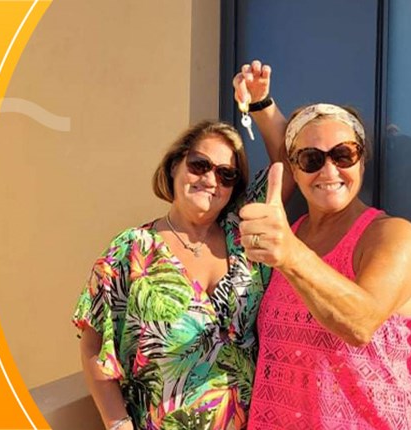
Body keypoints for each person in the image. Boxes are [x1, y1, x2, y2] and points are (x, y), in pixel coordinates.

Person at [233, 71, 411, 428]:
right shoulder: (286, 234)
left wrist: (291, 255)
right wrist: (262, 105)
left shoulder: (391, 235)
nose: (329, 170)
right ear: (294, 168)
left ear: (361, 159)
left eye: (344, 154)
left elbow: (361, 323)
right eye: (311, 159)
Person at [72, 116, 282, 429]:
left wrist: (261, 104)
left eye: (226, 174)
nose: (210, 179)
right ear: (174, 166)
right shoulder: (132, 249)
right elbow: (94, 342)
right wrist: (117, 423)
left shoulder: (243, 236)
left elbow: (288, 163)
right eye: (200, 165)